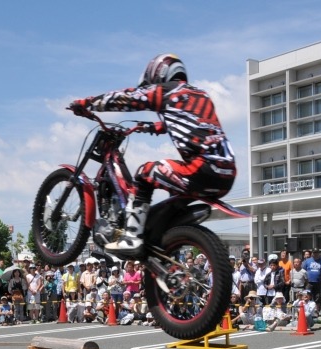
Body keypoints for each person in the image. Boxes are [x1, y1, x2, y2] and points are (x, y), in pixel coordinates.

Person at [70, 54, 236, 256]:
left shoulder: (166, 91)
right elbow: (189, 121)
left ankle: (131, 238)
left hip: (201, 168)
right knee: (172, 194)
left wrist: (87, 103)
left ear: (159, 73)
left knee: (145, 172)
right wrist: (151, 127)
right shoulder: (199, 95)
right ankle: (164, 239)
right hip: (227, 175)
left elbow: (127, 98)